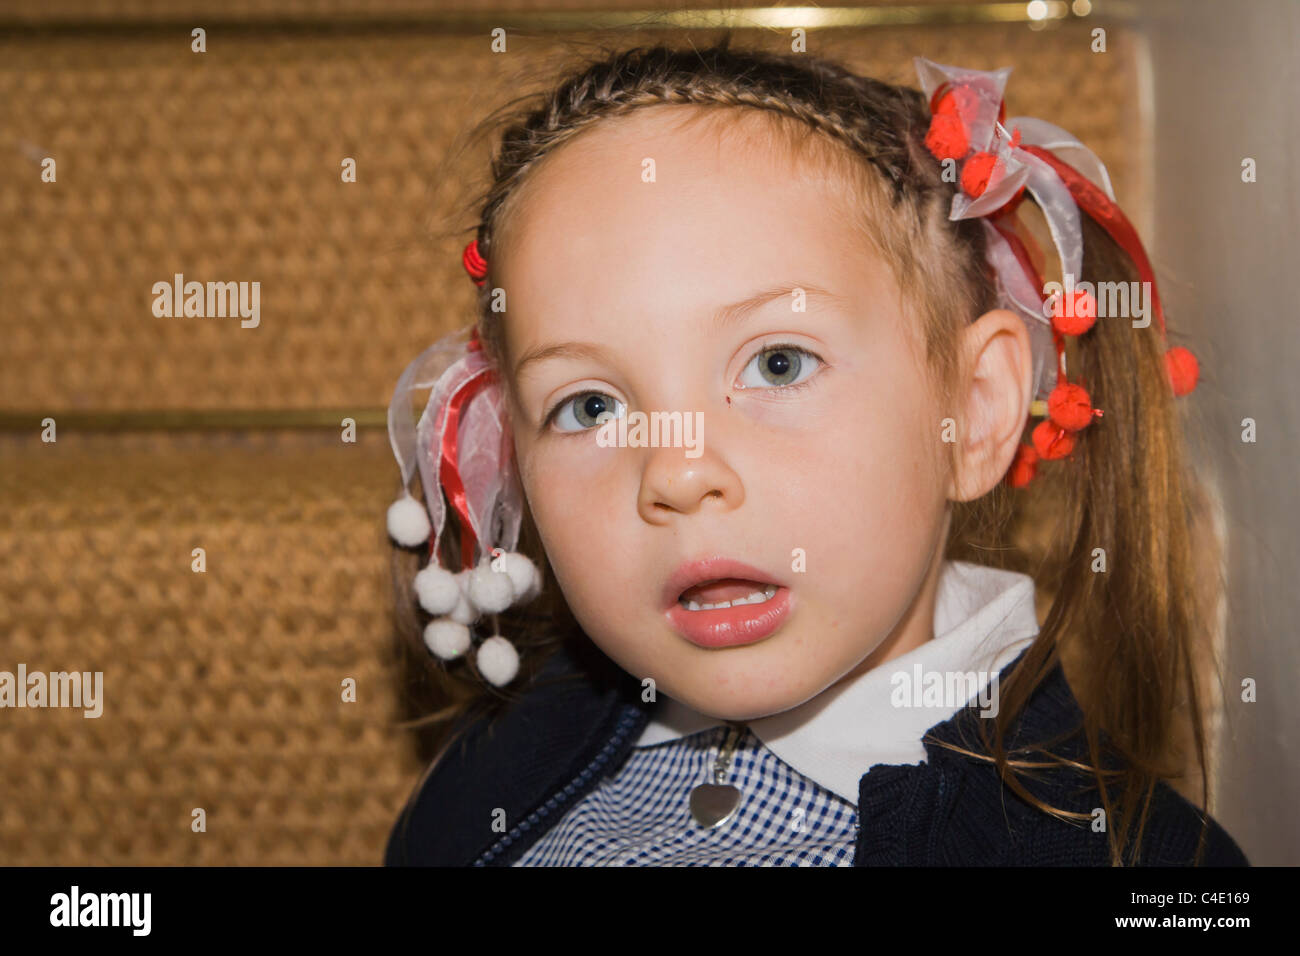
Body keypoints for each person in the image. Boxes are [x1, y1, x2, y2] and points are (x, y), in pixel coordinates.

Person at [381, 36, 1247, 866]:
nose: (677, 471)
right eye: (591, 405)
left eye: (777, 363)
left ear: (974, 411)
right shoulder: (487, 781)